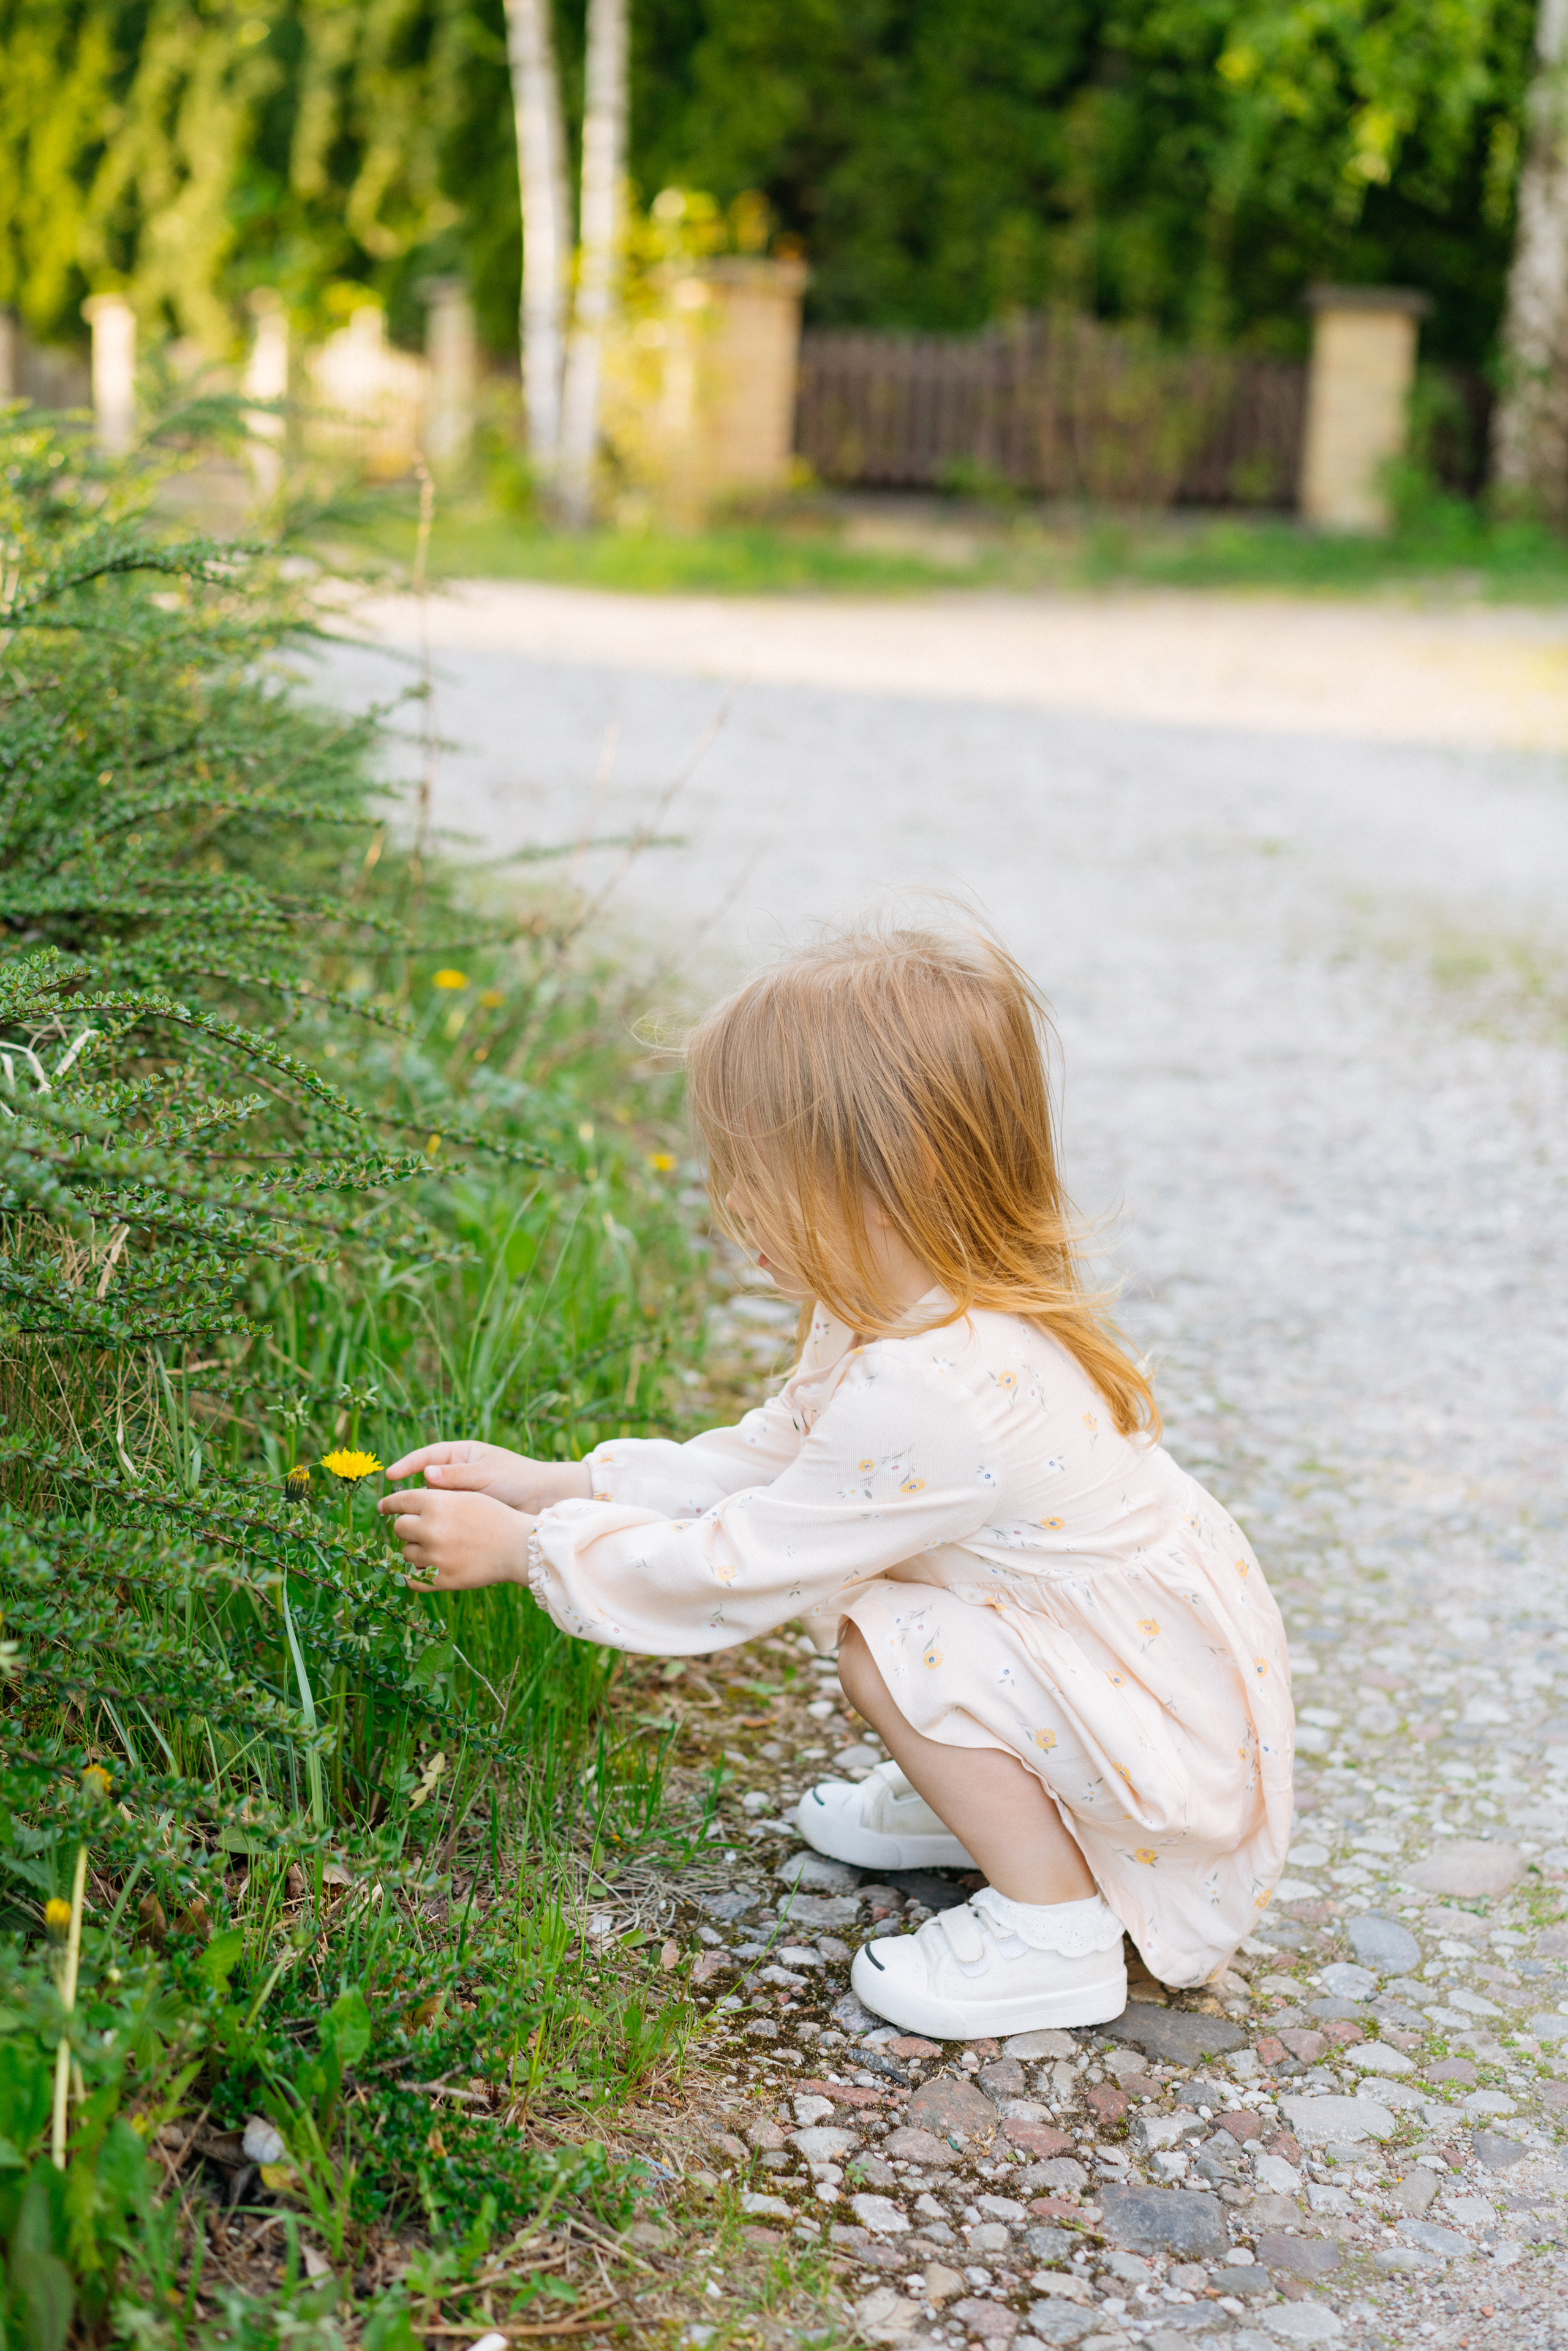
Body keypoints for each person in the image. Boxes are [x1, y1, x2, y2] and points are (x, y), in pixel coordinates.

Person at [380, 919, 1293, 2039]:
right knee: (886, 1599)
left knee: (880, 1638)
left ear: (886, 1183)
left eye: (758, 1177)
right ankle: (1000, 1807)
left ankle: (1054, 1926)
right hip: (1117, 1671)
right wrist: (567, 1480)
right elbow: (775, 1460)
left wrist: (534, 1551)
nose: (731, 1207)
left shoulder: (939, 1388)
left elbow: (749, 1559)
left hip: (1157, 1732)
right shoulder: (914, 1310)